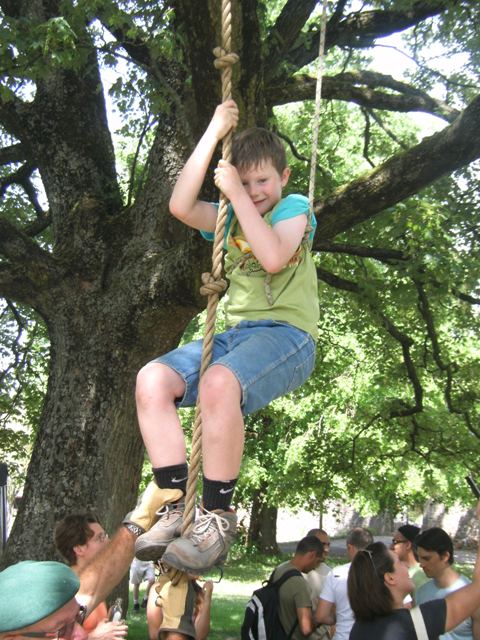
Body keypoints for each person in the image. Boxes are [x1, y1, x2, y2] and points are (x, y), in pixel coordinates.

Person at [135, 99, 319, 574]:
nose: (255, 190)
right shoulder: (229, 216)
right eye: (246, 180)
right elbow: (179, 205)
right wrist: (214, 129)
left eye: (264, 181)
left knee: (219, 382)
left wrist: (237, 194)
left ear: (283, 179)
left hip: (287, 336)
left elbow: (274, 256)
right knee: (152, 379)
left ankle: (216, 515)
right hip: (236, 338)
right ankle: (176, 504)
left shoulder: (295, 208)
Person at [0, 482, 182, 638]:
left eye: (79, 617)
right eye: (62, 631)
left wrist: (144, 514)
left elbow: (96, 584)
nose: (80, 634)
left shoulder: (64, 600)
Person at [347, 501, 480, 640]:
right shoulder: (407, 625)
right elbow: (477, 590)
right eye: (399, 563)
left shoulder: (360, 628)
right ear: (390, 578)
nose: (406, 566)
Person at [54, 512, 127, 639]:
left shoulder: (92, 583)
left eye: (106, 536)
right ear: (79, 549)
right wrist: (93, 637)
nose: (109, 542)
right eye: (100, 538)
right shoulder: (64, 591)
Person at [415, 527, 480, 639]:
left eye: (426, 558)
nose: (421, 564)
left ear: (445, 556)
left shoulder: (472, 594)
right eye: (419, 558)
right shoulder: (420, 593)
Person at [315, 527, 374, 640]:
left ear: (350, 547)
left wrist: (341, 616)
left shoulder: (337, 574)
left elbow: (321, 616)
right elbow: (406, 606)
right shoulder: (384, 570)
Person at [270, 535, 325, 639]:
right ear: (312, 555)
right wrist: (320, 616)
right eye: (317, 562)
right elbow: (306, 628)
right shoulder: (299, 584)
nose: (314, 567)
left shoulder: (279, 570)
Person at [146, 567, 213, 640]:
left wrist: (207, 599)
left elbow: (200, 636)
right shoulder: (158, 589)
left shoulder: (199, 593)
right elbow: (154, 635)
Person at [305, 529, 332, 640]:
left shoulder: (331, 574)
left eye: (328, 545)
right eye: (322, 545)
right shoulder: (290, 571)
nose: (326, 549)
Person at [390, 524, 428, 600]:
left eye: (395, 542)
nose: (390, 546)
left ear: (407, 545)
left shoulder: (419, 576)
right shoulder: (394, 569)